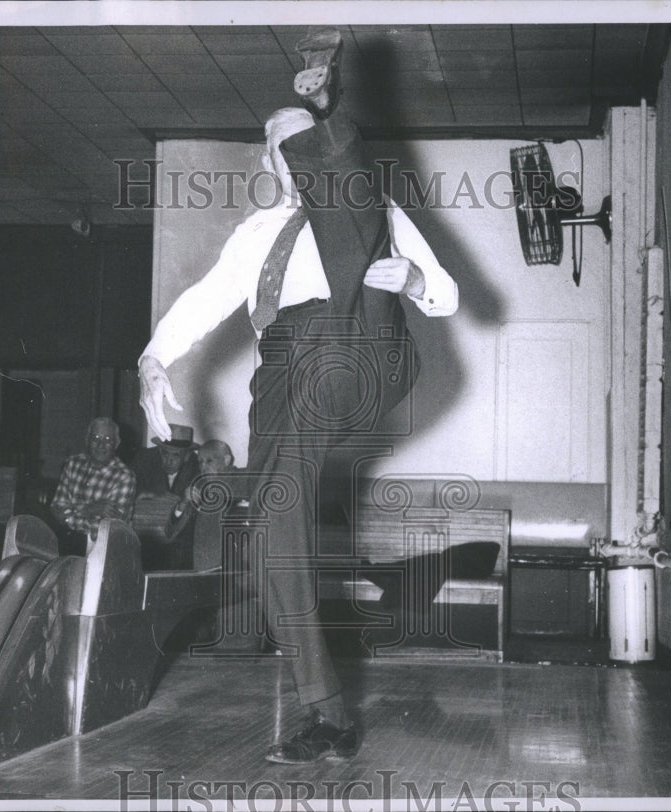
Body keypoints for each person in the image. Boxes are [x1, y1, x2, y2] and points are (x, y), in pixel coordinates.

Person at [138, 27, 458, 764]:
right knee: (274, 525)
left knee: (346, 200)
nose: (293, 151)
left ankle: (329, 85)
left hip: (358, 340)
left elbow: (444, 292)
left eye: (304, 137)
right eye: (284, 144)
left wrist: (411, 281)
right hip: (283, 370)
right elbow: (206, 298)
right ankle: (327, 713)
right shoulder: (253, 232)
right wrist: (154, 356)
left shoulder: (364, 199)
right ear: (267, 162)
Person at [49, 417, 137, 556]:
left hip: (104, 549)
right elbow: (56, 509)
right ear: (87, 441)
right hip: (67, 541)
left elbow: (107, 529)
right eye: (95, 438)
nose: (101, 445)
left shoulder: (124, 476)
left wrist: (68, 515)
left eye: (108, 440)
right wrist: (89, 510)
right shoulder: (73, 464)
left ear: (116, 444)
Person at [132, 423, 199, 499]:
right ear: (160, 450)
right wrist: (153, 495)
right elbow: (131, 489)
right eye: (165, 454)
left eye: (175, 455)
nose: (168, 461)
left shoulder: (197, 466)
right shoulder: (144, 460)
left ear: (187, 456)